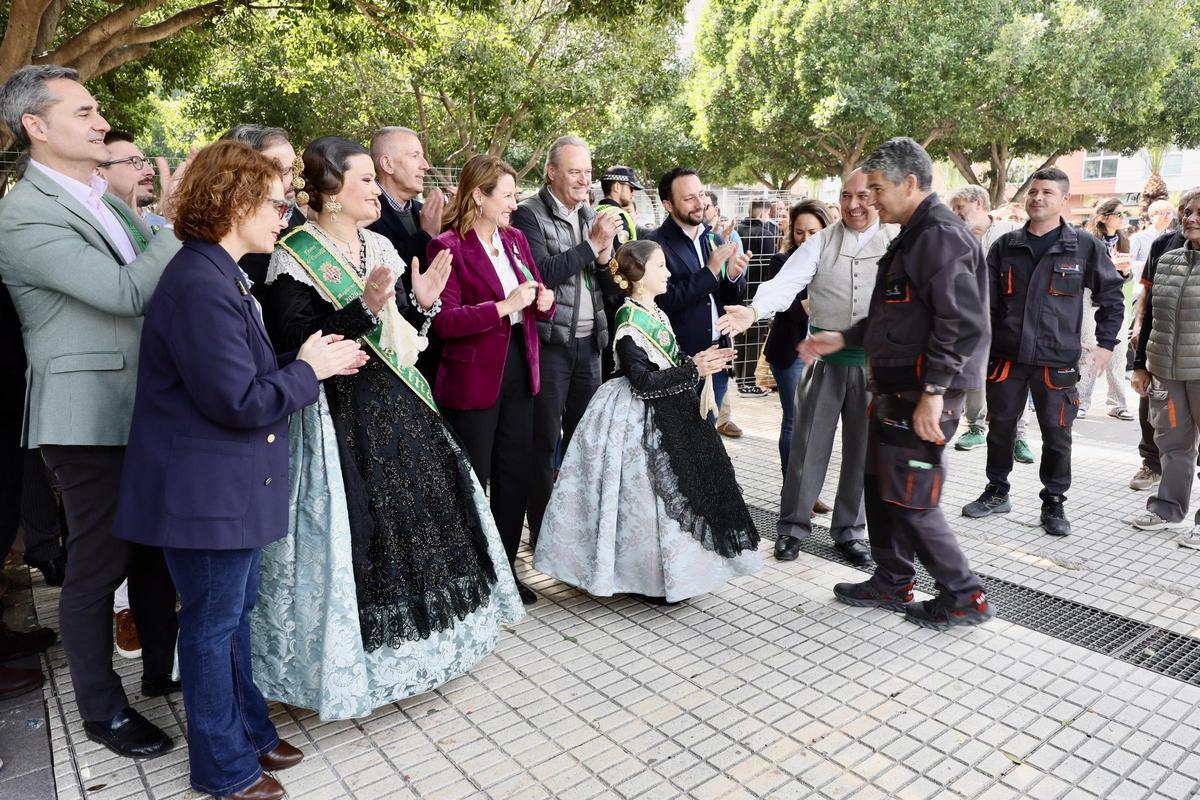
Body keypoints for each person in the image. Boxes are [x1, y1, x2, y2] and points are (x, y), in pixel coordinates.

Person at [113, 140, 370, 800]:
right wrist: (308, 371)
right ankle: (223, 767)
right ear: (235, 204)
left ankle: (251, 732)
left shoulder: (218, 272)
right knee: (211, 627)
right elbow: (237, 400)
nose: (285, 216)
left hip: (224, 489)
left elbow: (245, 371)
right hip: (203, 494)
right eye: (277, 204)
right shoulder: (201, 283)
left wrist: (309, 360)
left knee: (232, 618)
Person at [257, 139, 526, 719]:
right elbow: (297, 341)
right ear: (330, 193)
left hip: (397, 405)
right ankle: (363, 666)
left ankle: (430, 650)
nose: (374, 190)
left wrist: (421, 304)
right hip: (339, 416)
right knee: (366, 529)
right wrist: (364, 308)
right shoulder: (294, 256)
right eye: (363, 181)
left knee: (420, 517)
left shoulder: (379, 243)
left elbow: (401, 332)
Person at [0, 64, 184, 758]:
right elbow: (125, 293)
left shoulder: (102, 198)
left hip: (144, 404)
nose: (101, 122)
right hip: (86, 415)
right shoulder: (24, 214)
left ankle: (163, 672)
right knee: (98, 567)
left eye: (97, 110)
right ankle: (102, 712)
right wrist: (181, 219)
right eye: (83, 113)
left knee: (156, 552)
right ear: (36, 126)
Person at [798, 137, 992, 630]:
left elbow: (960, 323)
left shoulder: (940, 238)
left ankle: (964, 596)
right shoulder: (911, 235)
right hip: (894, 390)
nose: (870, 199)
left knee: (912, 497)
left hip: (922, 394)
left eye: (877, 189)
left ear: (909, 183)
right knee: (882, 488)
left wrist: (934, 393)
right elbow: (896, 317)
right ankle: (892, 579)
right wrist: (842, 337)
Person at [533, 240, 761, 602]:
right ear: (638, 276)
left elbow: (668, 360)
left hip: (669, 407)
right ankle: (645, 578)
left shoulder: (654, 311)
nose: (668, 273)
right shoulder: (628, 318)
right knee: (646, 498)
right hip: (635, 415)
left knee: (674, 492)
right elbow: (641, 380)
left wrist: (697, 360)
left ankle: (676, 574)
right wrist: (694, 370)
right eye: (660, 267)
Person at [718, 171, 895, 568]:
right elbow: (786, 283)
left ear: (878, 196)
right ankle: (792, 528)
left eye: (862, 196)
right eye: (846, 195)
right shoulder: (821, 241)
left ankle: (850, 531)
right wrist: (753, 311)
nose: (853, 204)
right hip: (825, 364)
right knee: (807, 446)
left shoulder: (896, 240)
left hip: (875, 369)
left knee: (864, 453)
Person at [961, 168, 1124, 536]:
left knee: (1057, 434)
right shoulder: (1006, 245)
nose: (1037, 198)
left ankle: (1053, 500)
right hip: (1006, 359)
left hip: (1056, 361)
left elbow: (1112, 297)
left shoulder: (1083, 246)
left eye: (1047, 192)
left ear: (1063, 200)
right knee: (1000, 429)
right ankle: (997, 491)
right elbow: (985, 303)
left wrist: (1105, 345)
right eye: (1033, 191)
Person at [429, 154, 555, 605]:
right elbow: (444, 322)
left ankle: (505, 572)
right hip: (473, 379)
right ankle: (467, 578)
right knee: (472, 479)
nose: (514, 204)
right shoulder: (447, 246)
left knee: (514, 475)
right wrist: (504, 307)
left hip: (521, 370)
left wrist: (544, 302)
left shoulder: (516, 239)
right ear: (478, 197)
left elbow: (536, 296)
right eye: (506, 196)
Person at [510, 136, 618, 550]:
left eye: (588, 172)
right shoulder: (528, 214)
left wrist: (605, 259)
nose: (584, 180)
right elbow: (539, 273)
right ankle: (543, 534)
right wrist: (591, 246)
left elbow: (612, 288)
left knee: (584, 443)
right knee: (543, 444)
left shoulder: (591, 214)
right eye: (575, 171)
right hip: (550, 345)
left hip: (591, 346)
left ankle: (578, 534)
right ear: (551, 172)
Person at [648, 167, 749, 425]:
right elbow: (661, 302)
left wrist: (733, 276)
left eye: (702, 194)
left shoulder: (713, 239)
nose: (700, 203)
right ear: (668, 205)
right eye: (689, 198)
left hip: (719, 358)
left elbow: (728, 300)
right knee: (680, 441)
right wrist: (710, 271)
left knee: (710, 440)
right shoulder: (655, 244)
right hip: (679, 362)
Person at [1130, 188, 1200, 543]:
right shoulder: (1168, 258)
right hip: (1166, 372)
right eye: (1187, 211)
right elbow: (1151, 315)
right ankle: (1167, 508)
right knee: (1172, 443)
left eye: (1199, 212)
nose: (1190, 217)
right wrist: (1140, 365)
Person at [946, 185, 1033, 463]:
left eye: (960, 207)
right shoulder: (954, 237)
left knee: (1015, 378)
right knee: (973, 373)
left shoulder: (1010, 231)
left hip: (1008, 319)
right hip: (969, 319)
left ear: (979, 203)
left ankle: (1019, 436)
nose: (956, 213)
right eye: (953, 209)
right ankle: (975, 427)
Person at [367, 126, 448, 382]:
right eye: (415, 156)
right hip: (386, 352)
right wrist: (426, 235)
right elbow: (384, 268)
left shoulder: (422, 211)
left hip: (429, 346)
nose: (425, 165)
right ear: (387, 164)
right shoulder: (367, 212)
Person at [1129, 201, 1187, 491]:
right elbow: (1148, 294)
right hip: (1162, 347)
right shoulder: (1163, 245)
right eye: (1186, 210)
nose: (1191, 217)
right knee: (1153, 407)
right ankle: (1152, 464)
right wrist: (1139, 325)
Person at [220, 125, 307, 305]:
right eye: (283, 172)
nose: (296, 180)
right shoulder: (234, 245)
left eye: (295, 169)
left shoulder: (299, 219)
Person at [1077, 197, 1133, 420]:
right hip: (1090, 300)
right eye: (1118, 214)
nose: (1122, 218)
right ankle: (1080, 401)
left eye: (1124, 214)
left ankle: (1117, 403)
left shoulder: (1124, 240)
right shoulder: (1089, 241)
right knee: (1088, 351)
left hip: (1116, 301)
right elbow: (1081, 273)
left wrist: (1125, 272)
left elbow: (1126, 277)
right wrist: (1109, 266)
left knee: (1119, 354)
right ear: (1103, 217)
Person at [596, 165, 642, 380]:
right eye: (630, 188)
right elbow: (621, 264)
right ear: (616, 186)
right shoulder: (617, 217)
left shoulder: (595, 211)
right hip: (614, 302)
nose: (633, 193)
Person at [98, 131, 166, 232]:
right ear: (98, 171)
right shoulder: (90, 229)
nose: (151, 172)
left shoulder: (165, 227)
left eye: (146, 162)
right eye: (135, 162)